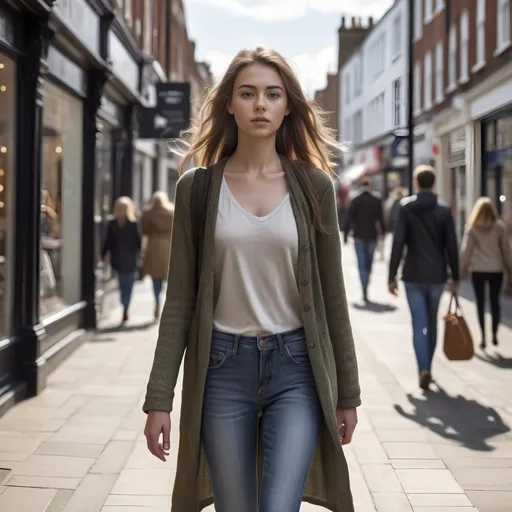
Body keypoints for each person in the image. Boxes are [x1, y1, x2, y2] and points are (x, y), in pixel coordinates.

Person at [142, 47, 361, 512]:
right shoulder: (197, 189)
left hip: (297, 369)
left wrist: (348, 393)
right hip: (222, 370)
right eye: (248, 93)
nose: (260, 104)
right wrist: (159, 399)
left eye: (272, 94)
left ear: (287, 107)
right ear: (230, 104)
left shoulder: (313, 187)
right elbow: (179, 301)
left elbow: (333, 298)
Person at [388, 165, 459, 391]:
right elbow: (452, 246)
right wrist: (455, 276)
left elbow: (398, 242)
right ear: (433, 183)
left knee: (418, 325)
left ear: (417, 183)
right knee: (432, 323)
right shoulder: (444, 210)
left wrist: (391, 275)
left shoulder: (407, 208)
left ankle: (422, 369)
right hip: (437, 275)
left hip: (412, 274)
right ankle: (429, 366)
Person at [461, 197, 512, 349]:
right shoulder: (499, 227)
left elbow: (466, 251)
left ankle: (483, 336)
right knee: (495, 302)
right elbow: (506, 251)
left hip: (478, 270)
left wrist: (462, 269)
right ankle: (495, 333)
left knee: (480, 304)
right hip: (496, 269)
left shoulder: (473, 227)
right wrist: (510, 269)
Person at [343, 176, 384, 302]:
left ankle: (364, 288)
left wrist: (345, 234)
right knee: (369, 263)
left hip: (359, 236)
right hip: (372, 235)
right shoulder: (376, 200)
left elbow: (349, 218)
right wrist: (383, 235)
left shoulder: (356, 200)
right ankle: (366, 285)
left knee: (361, 264)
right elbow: (381, 220)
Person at [101, 196, 141, 324]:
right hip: (129, 259)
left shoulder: (113, 223)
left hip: (118, 258)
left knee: (122, 284)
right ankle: (125, 306)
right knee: (128, 285)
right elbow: (138, 243)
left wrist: (103, 254)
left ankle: (124, 305)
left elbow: (108, 241)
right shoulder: (133, 224)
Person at [141, 191, 174, 320]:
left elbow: (144, 231)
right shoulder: (172, 213)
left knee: (156, 279)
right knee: (169, 279)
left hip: (153, 248)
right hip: (168, 247)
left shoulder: (148, 213)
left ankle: (157, 300)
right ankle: (168, 306)